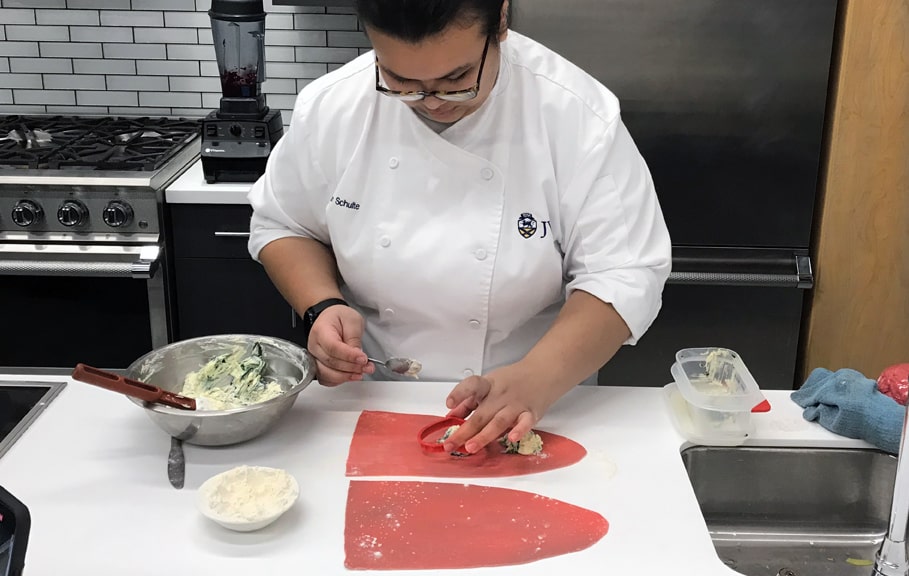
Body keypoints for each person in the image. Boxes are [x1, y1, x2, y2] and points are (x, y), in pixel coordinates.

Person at [247, 0, 672, 455]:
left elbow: (624, 273)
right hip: (376, 397)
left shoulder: (575, 114)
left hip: (539, 405)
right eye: (401, 83)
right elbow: (283, 224)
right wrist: (321, 306)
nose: (430, 101)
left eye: (455, 81)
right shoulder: (332, 107)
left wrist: (539, 377)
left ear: (501, 21)